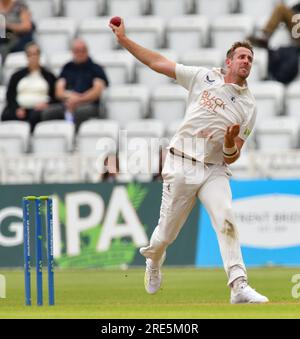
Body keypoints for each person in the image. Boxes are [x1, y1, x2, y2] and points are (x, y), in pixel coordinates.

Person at [109, 19, 269, 304]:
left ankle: (238, 285)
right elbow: (158, 63)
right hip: (182, 163)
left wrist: (230, 141)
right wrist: (124, 40)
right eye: (242, 57)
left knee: (227, 219)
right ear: (229, 61)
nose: (247, 62)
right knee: (165, 235)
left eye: (250, 59)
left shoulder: (249, 105)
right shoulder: (203, 77)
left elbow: (234, 155)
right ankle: (154, 259)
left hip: (215, 170)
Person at [42, 38, 109, 131]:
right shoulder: (67, 67)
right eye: (77, 51)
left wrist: (79, 99)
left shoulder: (96, 68)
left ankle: (76, 139)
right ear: (72, 52)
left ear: (87, 51)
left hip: (89, 104)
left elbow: (97, 91)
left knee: (79, 112)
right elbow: (58, 91)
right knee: (48, 113)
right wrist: (70, 97)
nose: (80, 53)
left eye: (83, 50)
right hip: (68, 103)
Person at [1, 42, 56, 131]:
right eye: (30, 54)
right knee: (6, 115)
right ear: (26, 56)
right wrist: (17, 108)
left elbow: (54, 96)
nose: (33, 57)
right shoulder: (17, 75)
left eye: (35, 54)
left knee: (35, 116)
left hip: (39, 109)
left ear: (39, 55)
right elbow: (10, 95)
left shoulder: (49, 76)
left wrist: (47, 104)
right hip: (20, 108)